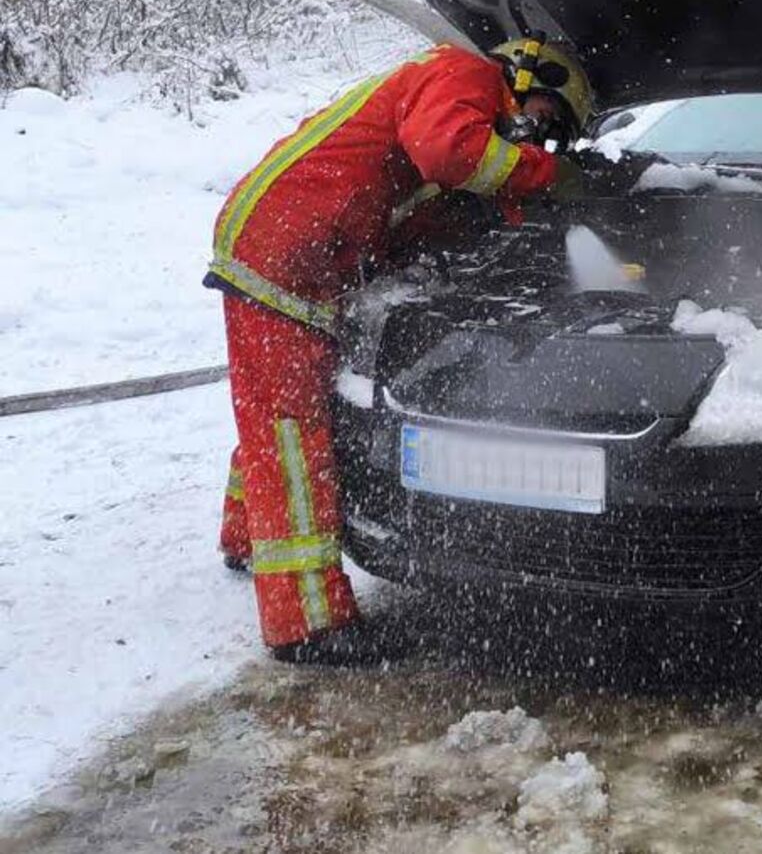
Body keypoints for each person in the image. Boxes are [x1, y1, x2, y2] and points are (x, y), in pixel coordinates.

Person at [211, 37, 595, 664]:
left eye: (552, 137)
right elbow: (450, 152)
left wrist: (530, 217)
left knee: (273, 406)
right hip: (285, 249)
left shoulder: (463, 101)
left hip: (308, 245)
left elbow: (448, 198)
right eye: (547, 118)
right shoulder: (464, 72)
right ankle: (306, 625)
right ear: (524, 79)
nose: (538, 138)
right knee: (292, 431)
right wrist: (550, 177)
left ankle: (245, 533)